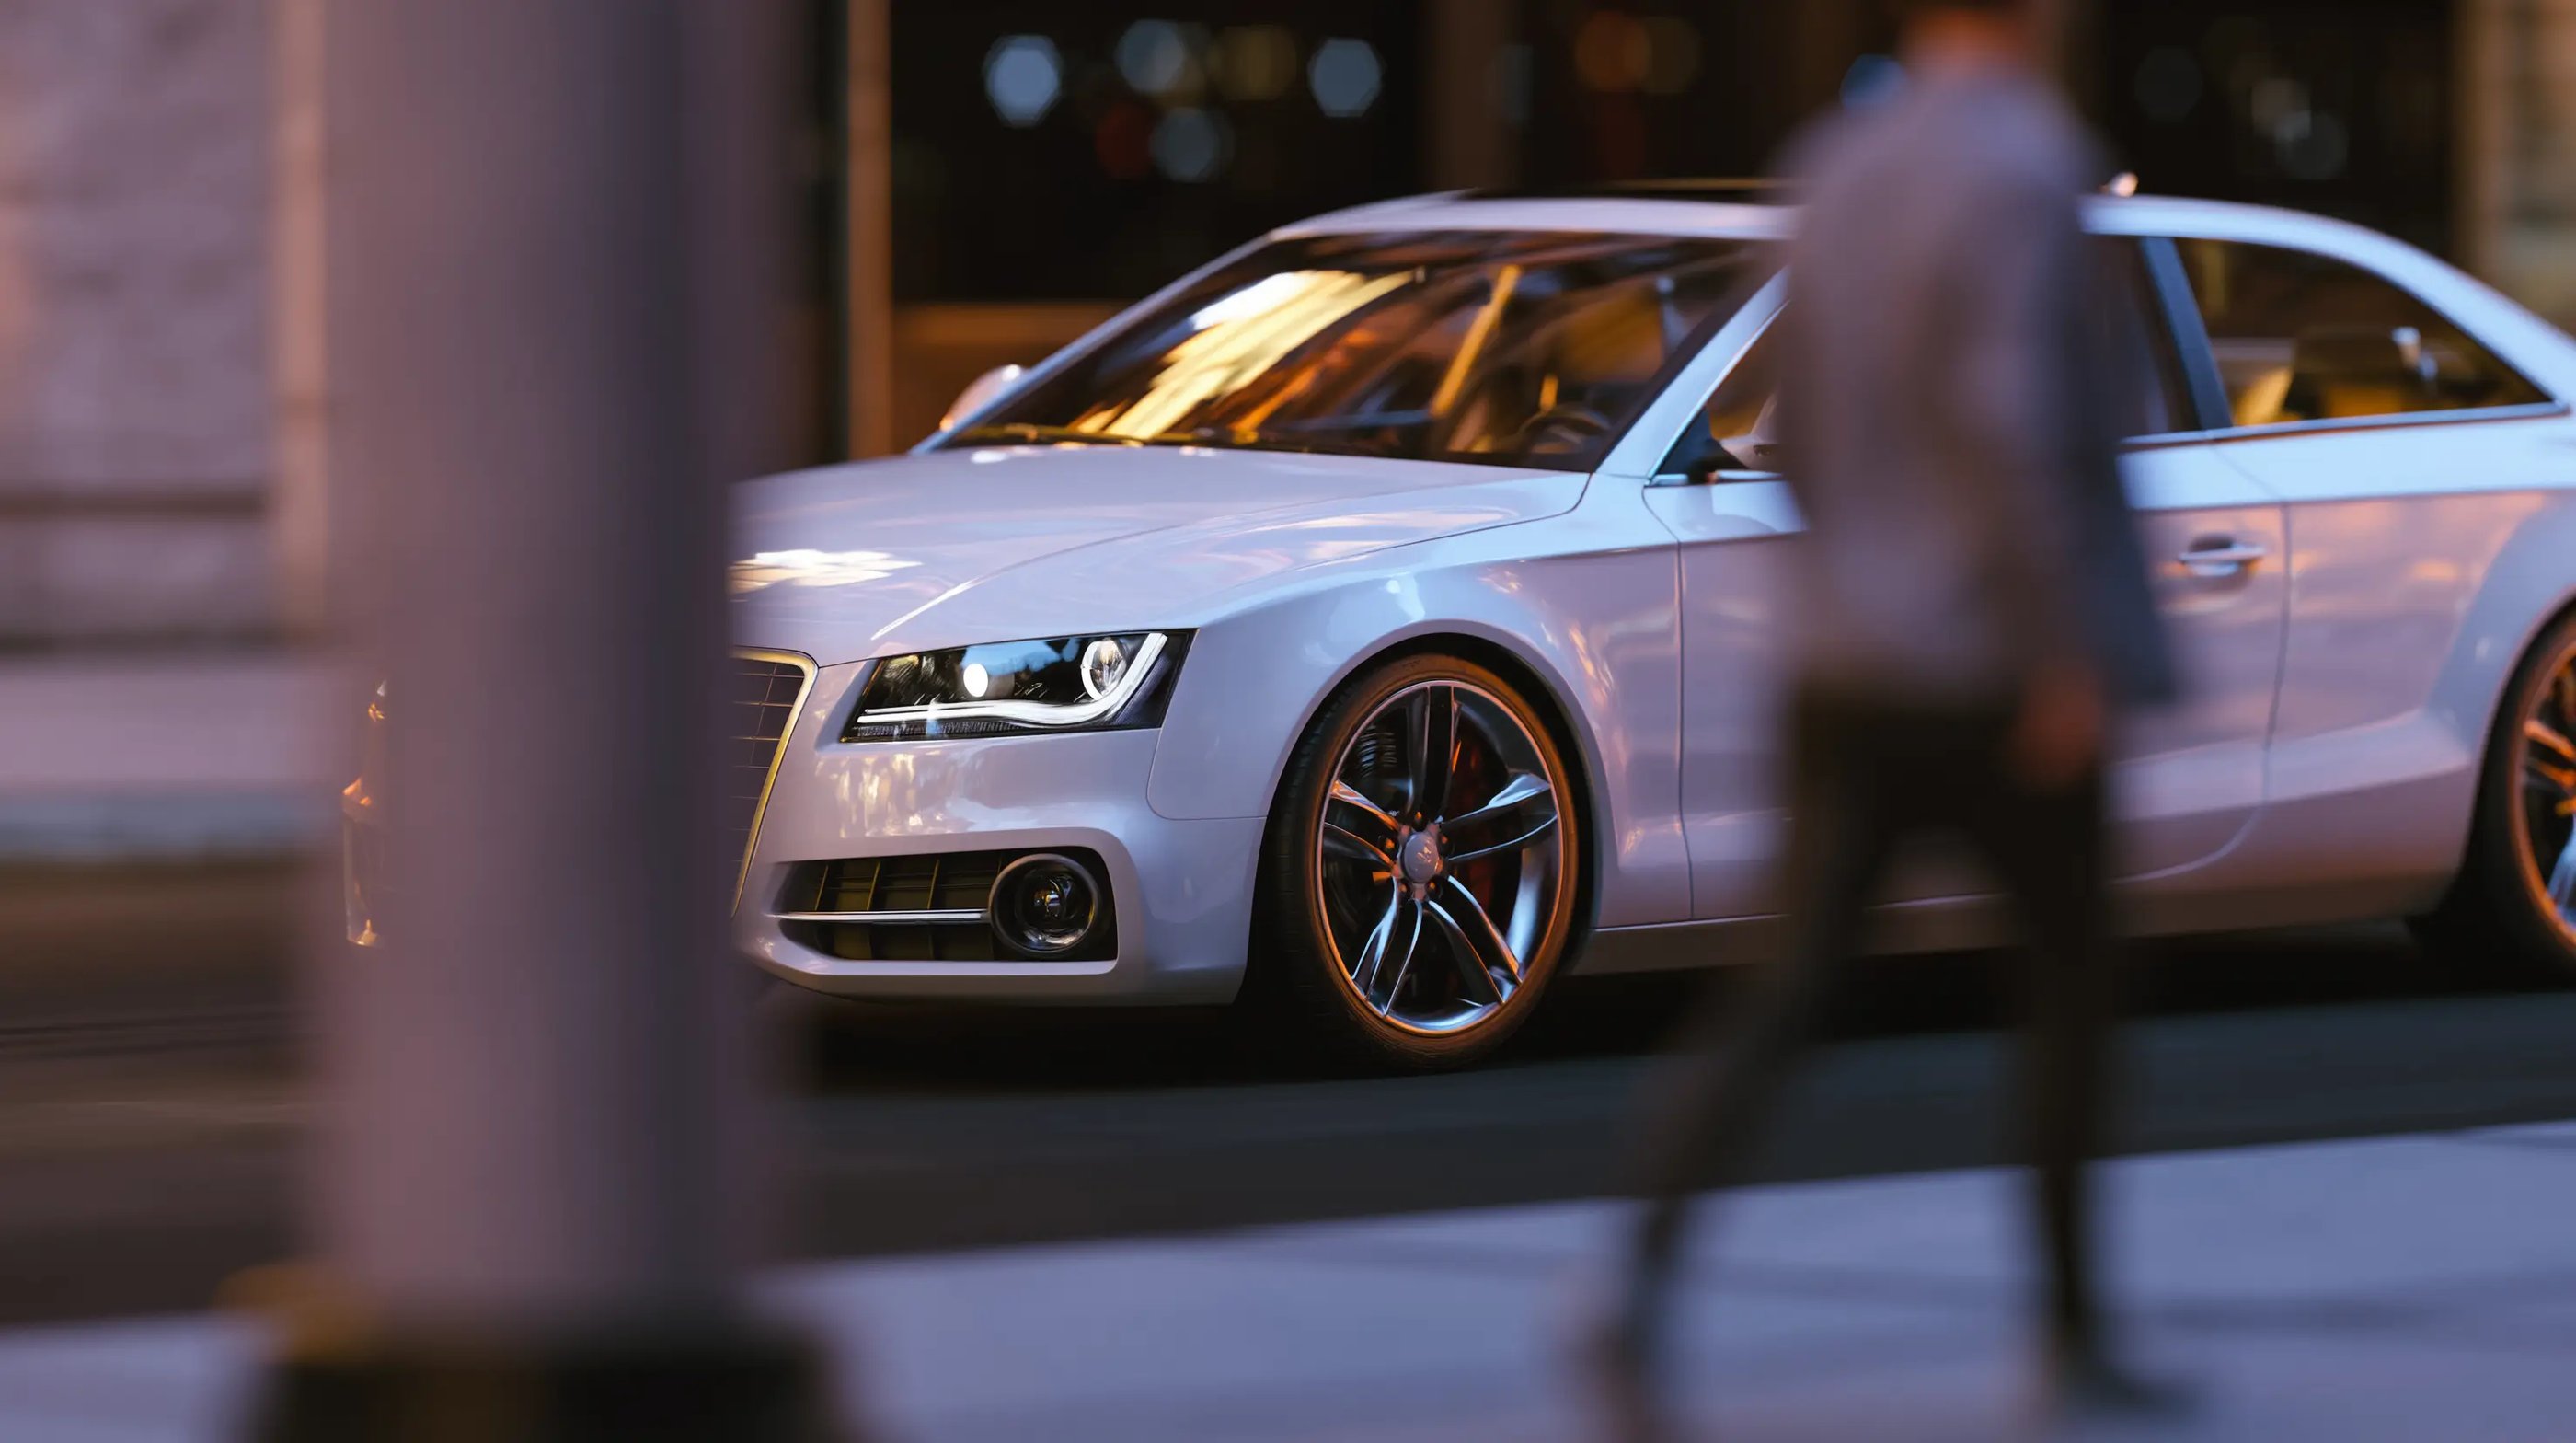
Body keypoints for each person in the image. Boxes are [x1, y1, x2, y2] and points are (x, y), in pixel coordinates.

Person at [1586, 0, 2181, 1433]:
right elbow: (2021, 421)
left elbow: (1809, 429)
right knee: (2067, 999)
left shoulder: (1835, 165)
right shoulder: (2032, 164)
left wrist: (1848, 586)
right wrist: (2068, 653)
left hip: (1843, 661)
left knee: (1785, 991)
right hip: (1987, 667)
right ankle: (2076, 1333)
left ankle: (1633, 1293)